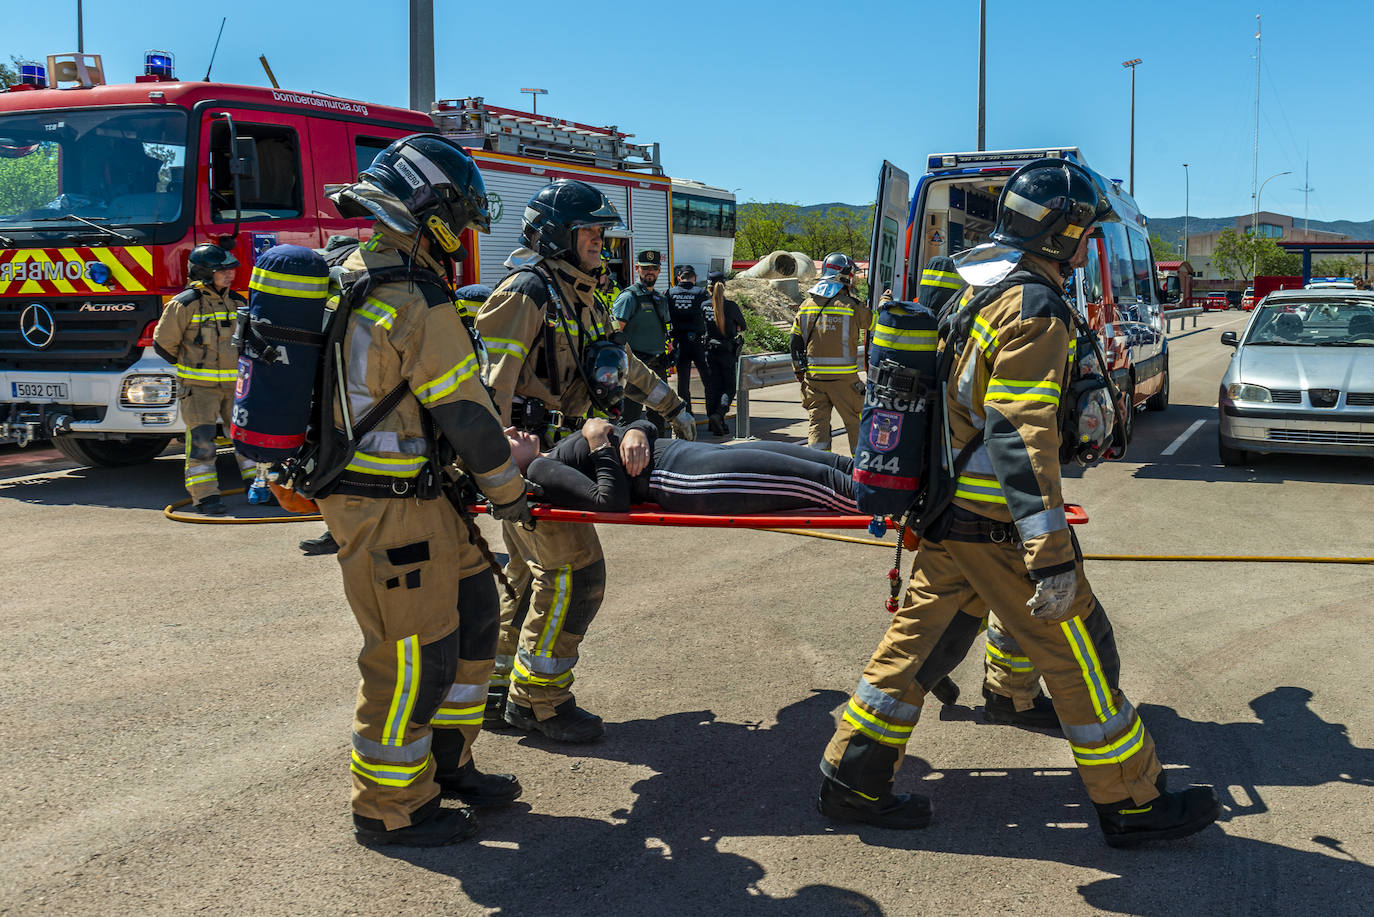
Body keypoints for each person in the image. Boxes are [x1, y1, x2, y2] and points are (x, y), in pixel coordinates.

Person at [817, 158, 1220, 847]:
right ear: (1064, 235)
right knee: (1079, 653)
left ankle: (851, 778)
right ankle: (1133, 802)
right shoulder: (1034, 306)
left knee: (914, 647)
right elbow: (1017, 432)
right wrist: (1050, 550)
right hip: (998, 525)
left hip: (949, 516)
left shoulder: (980, 291)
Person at [321, 134, 534, 847]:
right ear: (431, 206)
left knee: (476, 611)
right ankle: (390, 806)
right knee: (413, 655)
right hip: (384, 504)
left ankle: (448, 765)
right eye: (461, 217)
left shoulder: (355, 266)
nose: (465, 234)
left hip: (417, 498)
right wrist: (511, 496)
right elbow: (469, 419)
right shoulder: (412, 292)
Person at [477, 178, 695, 742]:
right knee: (575, 576)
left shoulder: (580, 292)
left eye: (602, 231)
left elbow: (616, 363)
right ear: (558, 235)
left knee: (526, 581)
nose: (601, 240)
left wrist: (671, 405)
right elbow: (491, 390)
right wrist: (496, 476)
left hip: (558, 455)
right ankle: (540, 702)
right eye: (591, 231)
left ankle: (496, 694)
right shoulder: (528, 292)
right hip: (531, 462)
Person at [509, 416, 856, 515]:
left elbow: (645, 424)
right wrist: (599, 441)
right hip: (683, 478)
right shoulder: (540, 470)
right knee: (822, 481)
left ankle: (897, 483)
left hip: (690, 454)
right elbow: (609, 502)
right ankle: (894, 502)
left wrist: (634, 432)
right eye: (504, 439)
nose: (512, 430)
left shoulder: (552, 452)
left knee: (830, 461)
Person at [153, 243, 255, 515]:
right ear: (204, 273)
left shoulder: (238, 302)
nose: (230, 275)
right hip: (198, 390)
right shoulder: (183, 304)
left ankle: (258, 488)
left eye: (230, 271)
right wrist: (193, 367)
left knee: (247, 440)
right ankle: (206, 497)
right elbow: (164, 345)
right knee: (201, 443)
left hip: (237, 387)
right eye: (222, 271)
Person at [789, 252, 870, 454]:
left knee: (817, 425)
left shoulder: (806, 305)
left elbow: (794, 340)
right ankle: (858, 468)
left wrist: (799, 369)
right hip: (844, 380)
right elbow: (873, 322)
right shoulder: (851, 306)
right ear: (844, 276)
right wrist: (884, 304)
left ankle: (818, 466)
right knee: (854, 422)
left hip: (814, 380)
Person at [612, 250, 674, 433]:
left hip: (657, 367)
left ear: (659, 270)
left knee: (658, 417)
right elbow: (615, 334)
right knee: (630, 418)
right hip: (636, 370)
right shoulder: (628, 297)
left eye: (654, 268)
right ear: (637, 268)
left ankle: (659, 457)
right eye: (646, 268)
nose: (650, 272)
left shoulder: (661, 299)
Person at [700, 271, 747, 437]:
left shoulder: (704, 305)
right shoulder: (731, 306)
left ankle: (713, 423)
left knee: (712, 388)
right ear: (724, 286)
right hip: (727, 352)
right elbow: (743, 325)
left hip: (708, 352)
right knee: (728, 388)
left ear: (709, 287)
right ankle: (719, 415)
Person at [667, 264, 711, 415]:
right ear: (695, 278)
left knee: (683, 381)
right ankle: (713, 415)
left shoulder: (670, 293)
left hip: (679, 341)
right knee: (707, 378)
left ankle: (686, 414)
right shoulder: (701, 292)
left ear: (679, 278)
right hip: (698, 341)